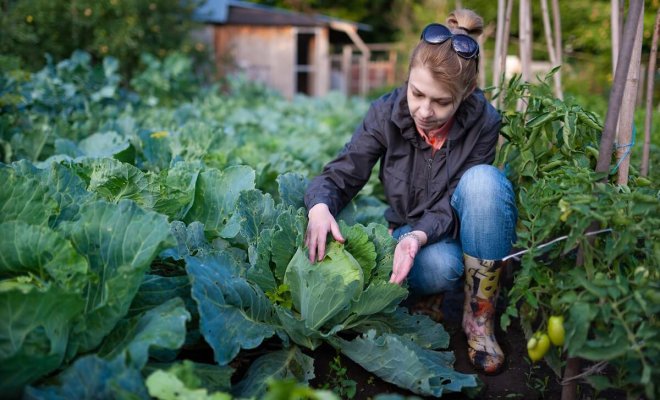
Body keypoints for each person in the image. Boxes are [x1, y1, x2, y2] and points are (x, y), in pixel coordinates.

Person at [303, 9, 518, 374]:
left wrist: (419, 236)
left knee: (485, 182)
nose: (424, 110)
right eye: (416, 93)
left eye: (441, 102)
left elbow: (453, 204)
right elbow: (343, 171)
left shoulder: (484, 121)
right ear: (407, 79)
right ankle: (429, 295)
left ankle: (478, 318)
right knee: (443, 267)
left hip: (450, 231)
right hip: (406, 233)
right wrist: (320, 207)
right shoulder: (386, 112)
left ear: (465, 93)